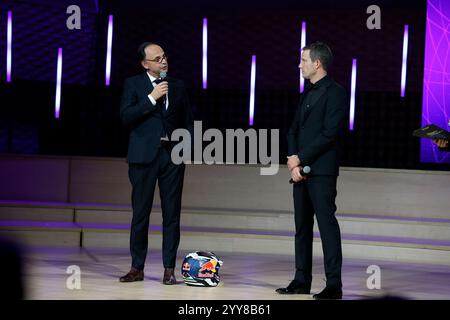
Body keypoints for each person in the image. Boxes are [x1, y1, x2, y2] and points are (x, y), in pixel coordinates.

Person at [276, 42, 347, 299]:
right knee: (302, 227)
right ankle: (301, 279)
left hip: (322, 170)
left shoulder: (336, 92)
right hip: (300, 169)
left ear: (317, 63)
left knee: (326, 225)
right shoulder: (306, 93)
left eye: (303, 60)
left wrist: (300, 159)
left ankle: (334, 285)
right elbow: (293, 129)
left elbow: (330, 134)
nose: (299, 64)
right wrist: (293, 160)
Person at [119, 42, 193, 285]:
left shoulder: (178, 86)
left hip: (172, 156)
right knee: (141, 213)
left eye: (165, 56)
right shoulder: (134, 84)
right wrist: (152, 98)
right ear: (145, 64)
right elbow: (126, 116)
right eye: (157, 58)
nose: (164, 61)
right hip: (143, 157)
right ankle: (136, 267)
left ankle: (169, 269)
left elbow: (187, 120)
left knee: (172, 214)